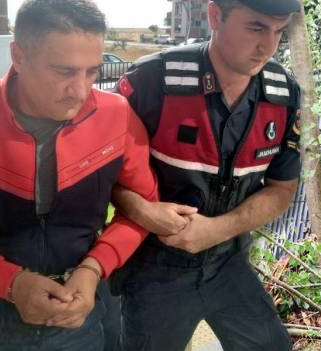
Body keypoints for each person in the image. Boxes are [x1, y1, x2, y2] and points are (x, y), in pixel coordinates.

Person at [0, 1, 163, 349]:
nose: (81, 91)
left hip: (83, 311)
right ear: (19, 56)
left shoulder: (116, 115)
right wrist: (10, 282)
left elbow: (145, 208)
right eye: (64, 72)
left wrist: (94, 268)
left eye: (92, 72)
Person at [111, 0, 303, 349]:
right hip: (155, 267)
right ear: (216, 16)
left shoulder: (283, 95)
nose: (269, 47)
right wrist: (141, 210)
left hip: (229, 262)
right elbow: (100, 172)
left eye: (279, 31)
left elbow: (282, 189)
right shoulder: (152, 82)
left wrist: (216, 230)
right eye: (257, 27)